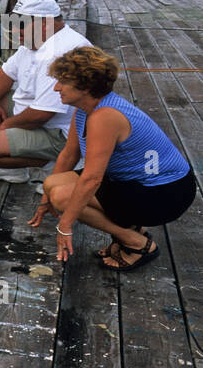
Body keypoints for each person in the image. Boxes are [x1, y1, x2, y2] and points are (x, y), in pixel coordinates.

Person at [30, 45, 196, 270]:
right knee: (52, 185)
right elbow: (69, 154)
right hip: (136, 182)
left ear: (86, 86)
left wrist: (65, 225)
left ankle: (136, 243)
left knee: (63, 197)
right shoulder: (84, 109)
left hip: (166, 192)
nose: (57, 87)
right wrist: (44, 201)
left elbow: (92, 179)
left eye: (63, 81)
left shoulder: (105, 116)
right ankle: (133, 229)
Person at [0, 0, 91, 183]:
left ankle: (55, 162)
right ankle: (15, 170)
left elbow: (43, 114)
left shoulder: (60, 53)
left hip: (59, 132)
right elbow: (5, 74)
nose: (16, 29)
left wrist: (5, 126)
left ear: (45, 23)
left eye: (22, 23)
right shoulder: (34, 41)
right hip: (35, 116)